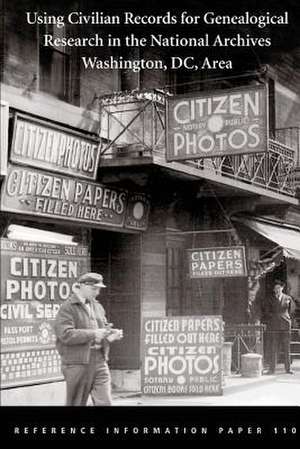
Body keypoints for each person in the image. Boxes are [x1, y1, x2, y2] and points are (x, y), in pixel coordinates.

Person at [54, 272, 123, 406]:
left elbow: (102, 328)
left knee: (105, 402)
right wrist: (93, 334)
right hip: (78, 363)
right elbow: (65, 335)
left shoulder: (97, 306)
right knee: (77, 403)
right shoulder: (67, 308)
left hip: (99, 360)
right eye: (94, 289)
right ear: (82, 286)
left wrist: (110, 336)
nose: (97, 292)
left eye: (99, 289)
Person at [266, 280, 295, 375]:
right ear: (274, 290)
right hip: (274, 325)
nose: (277, 290)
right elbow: (267, 312)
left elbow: (292, 311)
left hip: (286, 325)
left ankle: (288, 369)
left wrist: (287, 318)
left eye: (279, 288)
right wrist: (274, 317)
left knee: (287, 348)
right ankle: (272, 369)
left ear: (282, 288)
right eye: (275, 288)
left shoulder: (288, 298)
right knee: (274, 348)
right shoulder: (270, 299)